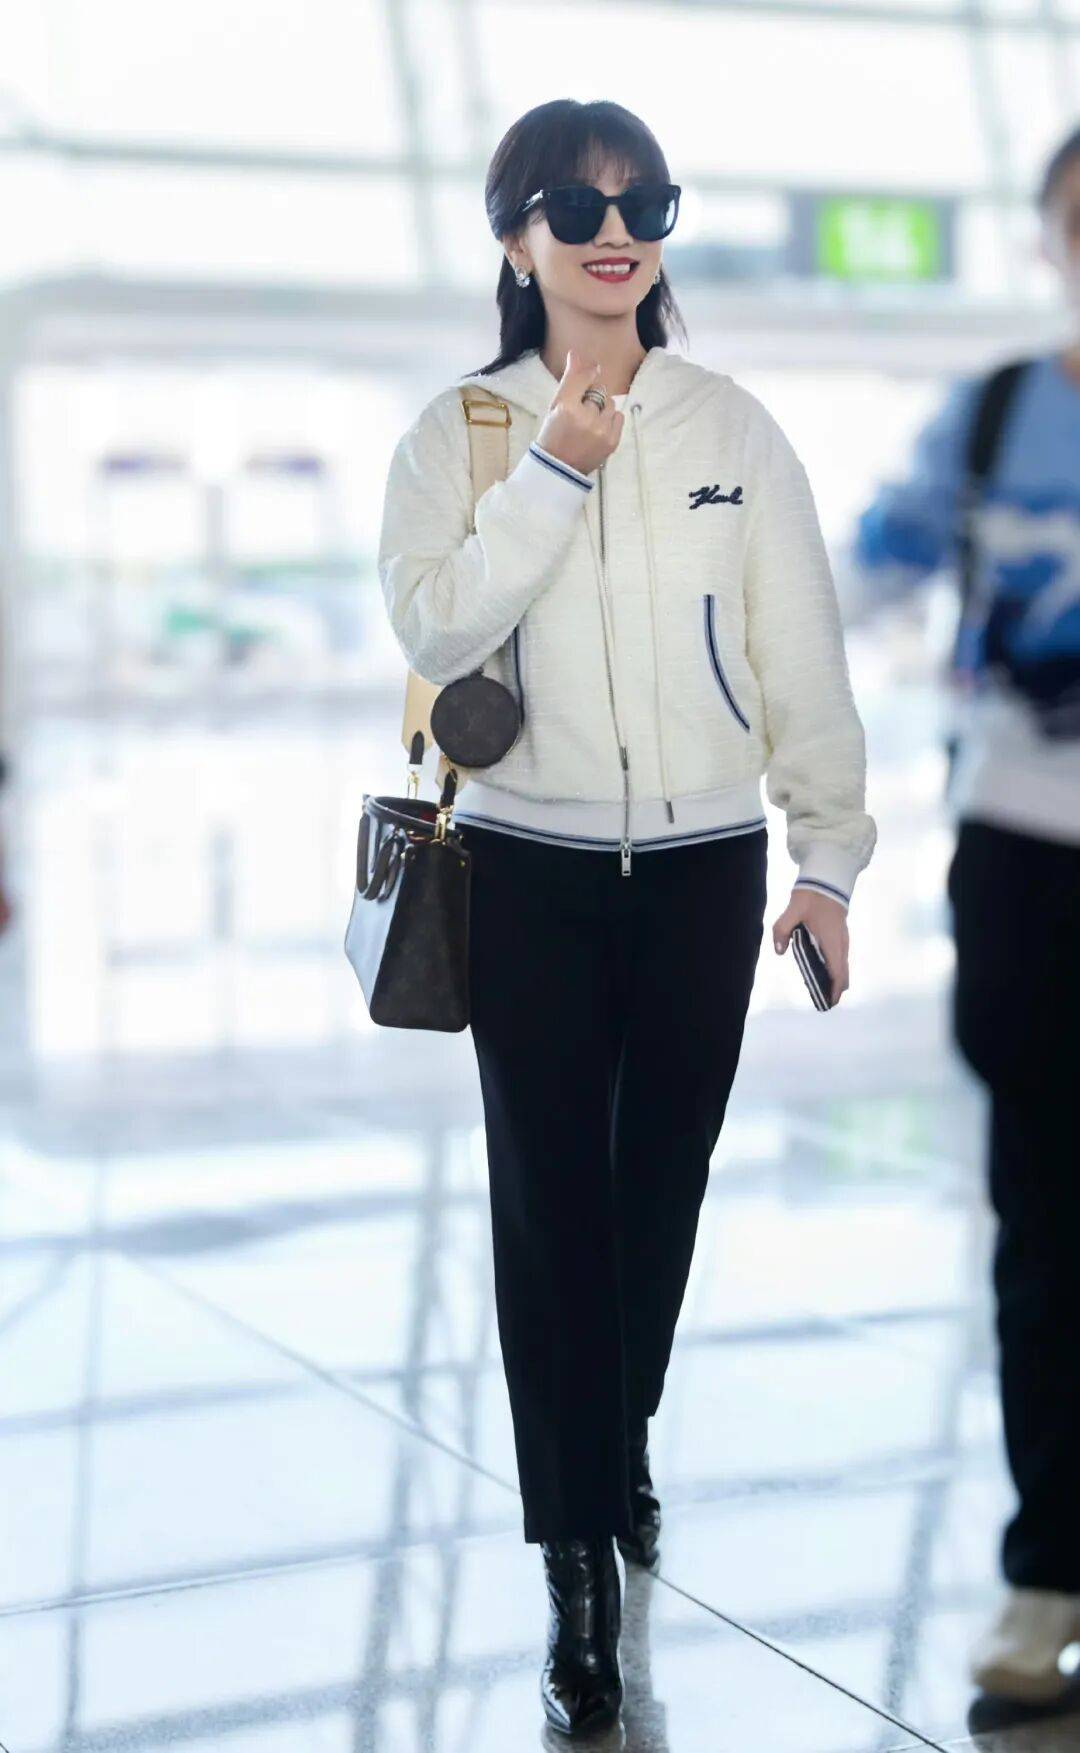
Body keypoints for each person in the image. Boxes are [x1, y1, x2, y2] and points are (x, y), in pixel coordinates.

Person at [377, 98, 877, 1737]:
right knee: (549, 1209)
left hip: (702, 865)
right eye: (579, 206)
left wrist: (826, 859)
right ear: (516, 235)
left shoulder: (733, 426)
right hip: (522, 868)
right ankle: (576, 1555)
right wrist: (551, 474)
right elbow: (436, 628)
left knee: (658, 1187)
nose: (616, 233)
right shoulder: (457, 432)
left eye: (644, 203)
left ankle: (616, 1431)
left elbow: (801, 651)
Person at [846, 123, 1080, 1706]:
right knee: (1050, 1224)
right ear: (1050, 239)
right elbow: (858, 577)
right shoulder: (994, 414)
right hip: (1028, 853)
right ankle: (1049, 1566)